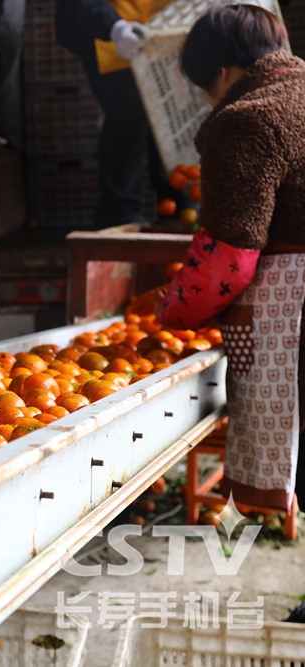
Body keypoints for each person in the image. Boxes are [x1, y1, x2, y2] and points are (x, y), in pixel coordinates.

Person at [157, 5, 305, 607]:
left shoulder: (246, 118)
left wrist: (171, 312)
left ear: (221, 71)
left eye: (204, 86)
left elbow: (229, 256)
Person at [55, 0, 183, 226]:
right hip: (113, 32)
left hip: (170, 33)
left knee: (171, 116)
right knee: (128, 111)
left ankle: (179, 204)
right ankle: (120, 213)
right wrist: (114, 27)